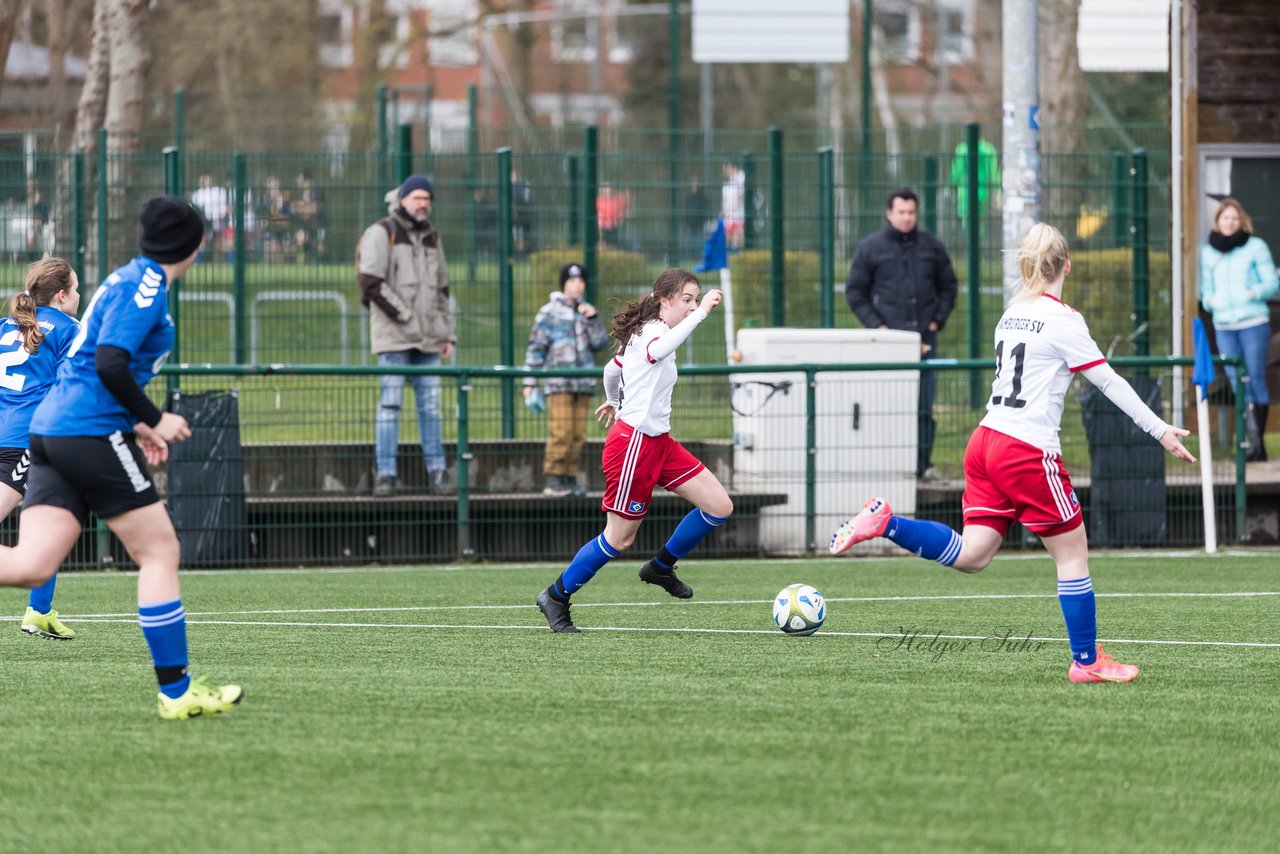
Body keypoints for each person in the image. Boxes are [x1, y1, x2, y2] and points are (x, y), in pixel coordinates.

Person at [832, 223, 1195, 684]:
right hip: (1025, 449)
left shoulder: (1013, 311)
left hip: (984, 441)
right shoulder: (1064, 319)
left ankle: (886, 522)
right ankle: (1087, 662)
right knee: (1072, 556)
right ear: (1067, 265)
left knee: (973, 555)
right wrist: (1159, 428)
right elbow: (1108, 381)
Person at [0, 196, 243, 718]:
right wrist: (154, 419)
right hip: (83, 432)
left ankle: (177, 692)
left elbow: (91, 367)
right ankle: (176, 694)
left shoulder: (127, 276)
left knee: (30, 564)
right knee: (160, 552)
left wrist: (135, 423)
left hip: (48, 431)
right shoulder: (146, 287)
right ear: (195, 245)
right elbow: (109, 364)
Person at [535, 269, 729, 633]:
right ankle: (556, 596)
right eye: (685, 299)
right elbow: (657, 351)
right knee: (619, 538)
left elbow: (612, 368)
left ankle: (660, 566)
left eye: (694, 299)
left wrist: (612, 400)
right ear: (664, 300)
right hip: (633, 446)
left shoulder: (650, 332)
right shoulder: (655, 332)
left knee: (720, 507)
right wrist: (702, 312)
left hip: (659, 443)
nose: (690, 306)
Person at [846, 188, 959, 480]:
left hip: (924, 341)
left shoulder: (931, 247)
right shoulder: (871, 248)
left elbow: (949, 286)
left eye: (911, 212)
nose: (907, 218)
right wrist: (877, 326)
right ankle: (885, 465)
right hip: (886, 343)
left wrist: (937, 320)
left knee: (923, 404)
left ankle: (923, 465)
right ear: (889, 213)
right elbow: (856, 292)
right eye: (901, 212)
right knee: (886, 403)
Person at [358, 174, 456, 496]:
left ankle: (437, 472)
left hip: (429, 340)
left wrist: (447, 333)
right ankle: (385, 473)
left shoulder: (433, 237)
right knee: (391, 405)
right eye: (417, 198)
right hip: (394, 338)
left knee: (430, 407)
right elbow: (371, 282)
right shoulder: (381, 232)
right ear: (402, 200)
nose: (423, 203)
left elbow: (442, 288)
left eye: (427, 198)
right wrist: (406, 317)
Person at [0, 258, 81, 638]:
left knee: (55, 518)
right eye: (77, 289)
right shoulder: (69, 328)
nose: (80, 296)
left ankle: (40, 609)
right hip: (27, 440)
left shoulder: (4, 326)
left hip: (11, 436)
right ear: (62, 295)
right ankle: (38, 609)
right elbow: (72, 387)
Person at [1199, 197, 1278, 462]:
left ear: (1241, 221)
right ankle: (1247, 446)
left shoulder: (1255, 247)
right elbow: (1206, 290)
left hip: (1253, 322)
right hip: (1224, 325)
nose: (1230, 222)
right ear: (1218, 221)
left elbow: (1271, 283)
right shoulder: (1208, 252)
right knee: (1236, 382)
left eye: (1234, 218)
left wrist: (1253, 292)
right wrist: (1211, 301)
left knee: (1254, 378)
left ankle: (1257, 446)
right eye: (1225, 218)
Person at [523, 263, 610, 496]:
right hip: (559, 383)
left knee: (578, 433)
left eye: (581, 281)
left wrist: (593, 319)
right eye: (572, 281)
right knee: (560, 430)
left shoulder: (586, 312)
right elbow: (536, 348)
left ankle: (569, 478)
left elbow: (600, 343)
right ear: (564, 284)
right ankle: (554, 479)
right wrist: (529, 383)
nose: (577, 285)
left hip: (583, 384)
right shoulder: (549, 313)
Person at [596, 184, 629, 248]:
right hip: (603, 226)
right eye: (606, 189)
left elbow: (625, 210)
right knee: (602, 241)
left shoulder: (618, 200)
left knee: (614, 243)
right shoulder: (599, 200)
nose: (608, 191)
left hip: (614, 225)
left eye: (610, 189)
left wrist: (622, 218)